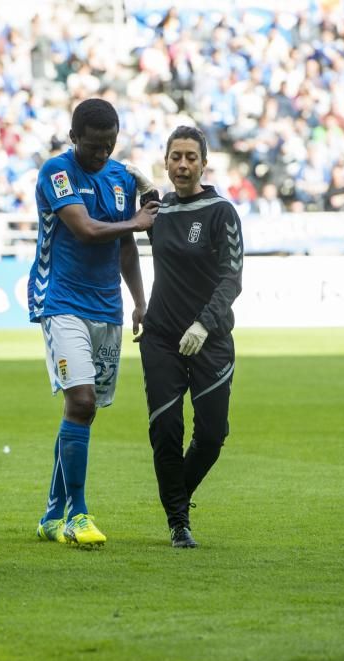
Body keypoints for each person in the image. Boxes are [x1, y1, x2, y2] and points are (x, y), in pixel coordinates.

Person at [28, 98, 158, 547]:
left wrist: (140, 300)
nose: (102, 154)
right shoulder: (56, 172)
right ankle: (76, 515)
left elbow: (126, 248)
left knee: (82, 413)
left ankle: (49, 515)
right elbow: (83, 228)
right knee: (81, 401)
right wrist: (139, 220)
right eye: (94, 145)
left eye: (110, 145)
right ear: (73, 137)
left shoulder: (123, 179)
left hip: (108, 308)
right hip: (60, 300)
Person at [136, 126, 243, 548]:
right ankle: (178, 521)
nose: (182, 164)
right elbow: (138, 207)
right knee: (165, 429)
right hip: (161, 337)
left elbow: (231, 277)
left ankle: (175, 495)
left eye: (190, 157)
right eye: (175, 157)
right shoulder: (158, 213)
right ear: (165, 161)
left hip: (209, 337)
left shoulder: (221, 212)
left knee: (213, 435)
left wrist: (203, 323)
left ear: (203, 162)